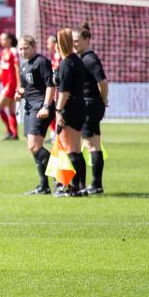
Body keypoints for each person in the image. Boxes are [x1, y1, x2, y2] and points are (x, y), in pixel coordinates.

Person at [14, 35, 56, 195]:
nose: (22, 51)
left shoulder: (42, 62)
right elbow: (29, 88)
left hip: (39, 107)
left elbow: (50, 85)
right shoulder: (25, 66)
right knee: (32, 148)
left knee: (34, 146)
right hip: (30, 107)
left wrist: (46, 106)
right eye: (20, 48)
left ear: (34, 47)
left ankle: (59, 171)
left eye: (26, 47)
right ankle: (44, 185)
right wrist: (20, 94)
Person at [73, 22, 109, 195]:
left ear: (87, 40)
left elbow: (102, 82)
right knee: (94, 143)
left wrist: (103, 100)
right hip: (90, 105)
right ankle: (96, 184)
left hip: (89, 105)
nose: (74, 44)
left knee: (90, 145)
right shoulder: (84, 58)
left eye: (77, 40)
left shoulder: (90, 59)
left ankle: (95, 184)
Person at [53, 27, 89, 197]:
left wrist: (58, 110)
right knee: (75, 148)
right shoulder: (77, 60)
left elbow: (64, 91)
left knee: (68, 148)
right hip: (80, 106)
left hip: (70, 107)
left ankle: (72, 188)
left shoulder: (66, 63)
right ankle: (81, 186)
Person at [0, 32, 21, 141]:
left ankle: (9, 131)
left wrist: (19, 84)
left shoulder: (13, 52)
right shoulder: (4, 52)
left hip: (11, 85)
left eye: (3, 39)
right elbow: (1, 69)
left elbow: (17, 68)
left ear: (10, 40)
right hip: (6, 84)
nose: (1, 41)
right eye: (0, 39)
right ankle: (14, 133)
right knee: (11, 110)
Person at [45, 35, 61, 145]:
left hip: (60, 89)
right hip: (54, 87)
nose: (47, 45)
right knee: (52, 111)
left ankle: (57, 135)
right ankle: (53, 135)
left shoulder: (60, 55)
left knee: (56, 111)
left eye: (48, 43)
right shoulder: (55, 55)